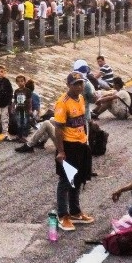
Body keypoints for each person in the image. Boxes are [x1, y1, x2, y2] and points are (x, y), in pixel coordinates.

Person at [53, 72, 96, 231]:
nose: (79, 86)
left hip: (81, 144)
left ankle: (75, 212)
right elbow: (58, 129)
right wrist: (61, 151)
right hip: (68, 146)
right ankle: (62, 215)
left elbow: (82, 122)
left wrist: (85, 140)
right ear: (68, 85)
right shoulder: (62, 103)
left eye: (81, 83)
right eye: (75, 84)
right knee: (65, 181)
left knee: (77, 179)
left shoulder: (82, 99)